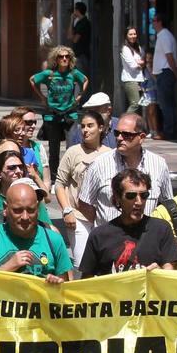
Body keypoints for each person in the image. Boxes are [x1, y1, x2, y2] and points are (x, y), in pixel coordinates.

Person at [76, 114, 174, 224]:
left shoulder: (159, 164)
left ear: (141, 137)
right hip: (111, 237)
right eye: (117, 133)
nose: (119, 138)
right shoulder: (99, 164)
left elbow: (168, 204)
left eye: (126, 135)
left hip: (145, 238)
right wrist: (104, 226)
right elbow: (84, 203)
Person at [80, 169, 177, 276]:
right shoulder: (99, 235)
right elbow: (87, 280)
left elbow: (169, 271)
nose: (139, 202)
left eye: (144, 195)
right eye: (131, 196)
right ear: (117, 198)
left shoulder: (161, 229)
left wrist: (159, 272)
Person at [0, 182, 72, 283]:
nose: (25, 217)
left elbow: (66, 288)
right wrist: (8, 267)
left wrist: (55, 283)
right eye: (18, 210)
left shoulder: (54, 239)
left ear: (37, 209)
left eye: (31, 210)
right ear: (5, 208)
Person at [0, 146, 51, 261]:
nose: (18, 171)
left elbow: (47, 231)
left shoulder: (33, 197)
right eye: (12, 168)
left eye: (21, 167)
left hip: (29, 259)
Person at [55, 109, 108, 263]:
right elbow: (59, 183)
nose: (85, 130)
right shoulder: (73, 152)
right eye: (83, 126)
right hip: (78, 217)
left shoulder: (110, 154)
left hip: (103, 218)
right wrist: (67, 211)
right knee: (82, 263)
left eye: (90, 126)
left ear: (101, 128)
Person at [30, 45, 88, 181]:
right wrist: (42, 97)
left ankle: (70, 177)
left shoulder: (73, 73)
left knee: (72, 148)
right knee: (54, 150)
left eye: (67, 56)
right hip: (53, 116)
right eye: (61, 56)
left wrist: (79, 96)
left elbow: (85, 80)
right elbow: (32, 80)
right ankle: (55, 178)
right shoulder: (49, 74)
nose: (64, 59)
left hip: (70, 115)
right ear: (55, 59)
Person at [149, 13, 177, 140]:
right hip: (165, 73)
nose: (152, 23)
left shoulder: (164, 36)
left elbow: (169, 56)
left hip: (166, 73)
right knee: (169, 104)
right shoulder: (163, 36)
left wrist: (176, 72)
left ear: (160, 22)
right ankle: (171, 131)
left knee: (166, 104)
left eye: (154, 20)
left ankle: (169, 132)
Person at [118, 26, 146, 115]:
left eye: (134, 34)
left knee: (140, 106)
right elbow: (133, 65)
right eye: (130, 34)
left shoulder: (138, 48)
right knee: (135, 104)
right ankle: (123, 125)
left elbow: (145, 60)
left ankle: (136, 127)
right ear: (126, 36)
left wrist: (140, 62)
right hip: (130, 80)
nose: (133, 36)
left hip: (140, 80)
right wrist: (140, 63)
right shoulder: (125, 49)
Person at [69, 3, 92, 78]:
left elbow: (75, 39)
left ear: (77, 10)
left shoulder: (84, 23)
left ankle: (84, 90)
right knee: (77, 78)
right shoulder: (79, 22)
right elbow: (69, 35)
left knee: (82, 79)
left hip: (81, 55)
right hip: (78, 55)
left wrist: (72, 36)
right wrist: (72, 21)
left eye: (74, 9)